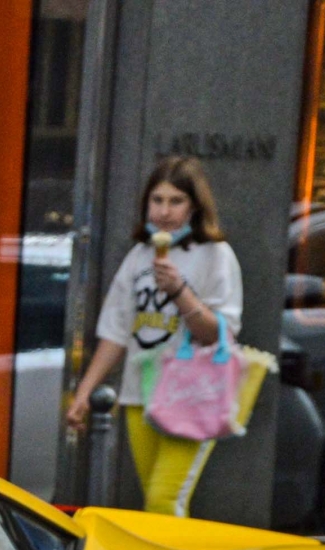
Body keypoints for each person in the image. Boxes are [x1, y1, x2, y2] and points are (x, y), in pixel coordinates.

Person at [65, 156, 248, 516]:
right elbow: (117, 331)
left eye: (175, 201)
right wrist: (84, 392)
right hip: (139, 394)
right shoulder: (138, 256)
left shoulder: (215, 255)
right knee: (153, 498)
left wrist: (179, 291)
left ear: (195, 207)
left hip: (193, 394)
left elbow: (221, 333)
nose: (164, 212)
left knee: (165, 501)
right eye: (157, 200)